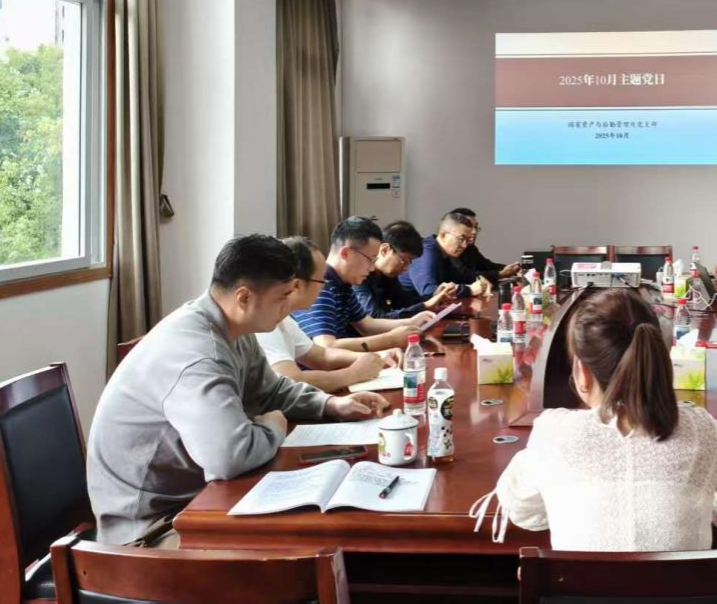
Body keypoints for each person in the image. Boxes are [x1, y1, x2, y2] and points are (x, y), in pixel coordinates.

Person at [87, 234, 391, 545]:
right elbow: (229, 458)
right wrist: (274, 427)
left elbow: (271, 391)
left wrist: (330, 405)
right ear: (244, 297)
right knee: (303, 543)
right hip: (151, 529)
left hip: (196, 498)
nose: (289, 306)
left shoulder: (234, 327)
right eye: (283, 296)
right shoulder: (199, 353)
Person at [482, 288, 717, 551]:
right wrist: (698, 497)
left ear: (581, 373)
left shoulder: (554, 433)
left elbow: (521, 509)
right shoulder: (700, 431)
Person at [257, 237, 399, 393]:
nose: (325, 286)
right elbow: (291, 381)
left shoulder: (284, 320)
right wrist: (354, 373)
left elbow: (322, 356)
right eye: (321, 280)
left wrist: (378, 357)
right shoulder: (263, 325)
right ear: (297, 285)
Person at [292, 216, 448, 351]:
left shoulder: (343, 284)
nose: (372, 268)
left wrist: (412, 322)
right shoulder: (321, 285)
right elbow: (326, 346)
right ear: (346, 253)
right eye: (370, 259)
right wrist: (391, 340)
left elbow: (367, 325)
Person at [395, 211, 493, 305]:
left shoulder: (445, 253)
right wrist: (470, 290)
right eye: (461, 239)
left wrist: (479, 280)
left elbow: (459, 276)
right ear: (443, 234)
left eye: (467, 240)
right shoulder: (427, 251)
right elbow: (429, 291)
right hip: (407, 309)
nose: (464, 245)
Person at [353, 220, 435, 320]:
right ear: (385, 250)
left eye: (409, 262)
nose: (406, 268)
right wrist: (424, 306)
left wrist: (434, 296)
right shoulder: (358, 275)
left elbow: (405, 302)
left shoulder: (387, 275)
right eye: (403, 261)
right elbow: (375, 318)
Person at [449, 207, 521, 280]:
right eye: (469, 227)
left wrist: (512, 269)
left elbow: (487, 266)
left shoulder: (470, 248)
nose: (474, 232)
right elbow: (465, 275)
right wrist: (500, 274)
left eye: (476, 227)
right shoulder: (448, 249)